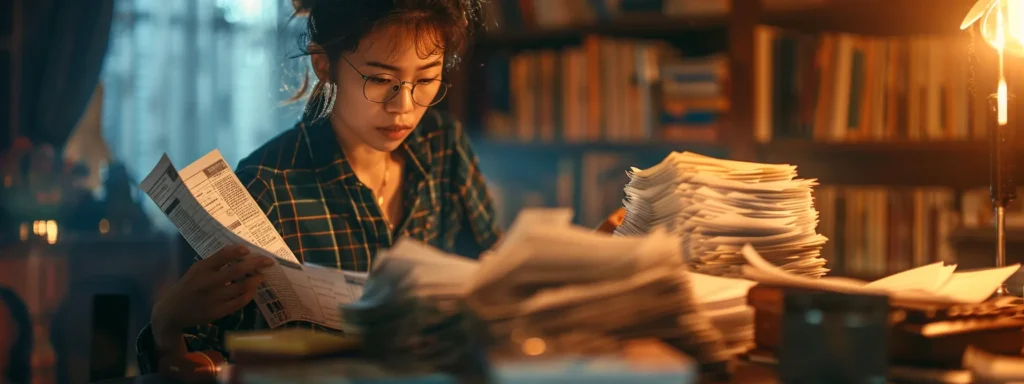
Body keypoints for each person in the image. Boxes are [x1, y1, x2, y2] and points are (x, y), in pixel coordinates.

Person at [135, 0, 501, 374]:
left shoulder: (443, 146)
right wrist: (168, 328)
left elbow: (498, 277)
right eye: (379, 80)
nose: (403, 106)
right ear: (324, 64)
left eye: (425, 80)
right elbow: (206, 360)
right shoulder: (267, 186)